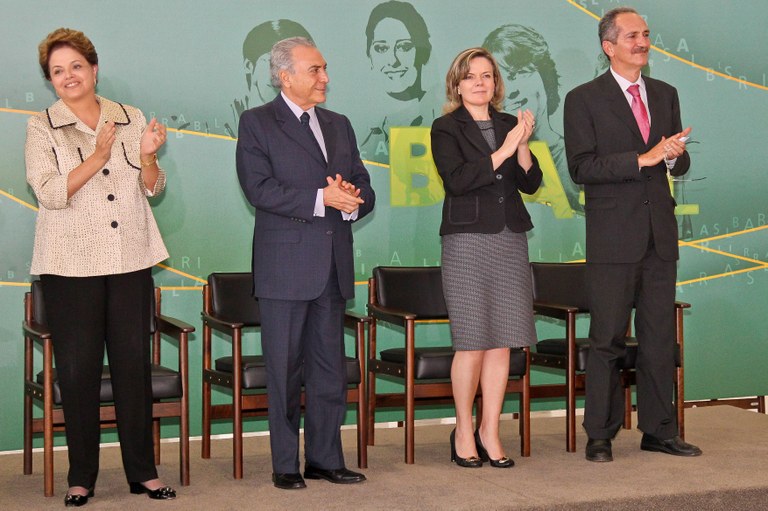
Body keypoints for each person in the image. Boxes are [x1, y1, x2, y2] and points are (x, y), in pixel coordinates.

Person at [25, 28, 176, 505]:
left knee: (133, 367)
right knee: (78, 372)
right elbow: (49, 192)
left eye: (75, 66)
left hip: (130, 257)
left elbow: (153, 187)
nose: (68, 76)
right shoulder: (41, 126)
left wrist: (148, 156)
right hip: (69, 265)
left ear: (93, 69)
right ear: (50, 81)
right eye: (57, 71)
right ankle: (81, 477)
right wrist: (99, 157)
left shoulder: (128, 117)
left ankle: (143, 473)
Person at [563, 7, 701, 462]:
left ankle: (660, 430)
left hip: (659, 235)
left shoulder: (665, 93)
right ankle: (599, 434)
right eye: (632, 36)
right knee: (607, 339)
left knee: (660, 338)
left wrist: (672, 156)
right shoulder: (584, 99)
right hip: (612, 237)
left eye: (645, 34)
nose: (642, 42)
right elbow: (582, 167)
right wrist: (642, 158)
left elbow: (677, 164)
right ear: (609, 46)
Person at [236, 37, 374, 489]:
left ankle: (325, 459)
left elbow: (361, 183)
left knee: (329, 372)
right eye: (315, 70)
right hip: (284, 269)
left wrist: (351, 201)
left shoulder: (339, 124)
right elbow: (259, 190)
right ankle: (284, 465)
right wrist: (321, 198)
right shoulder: (257, 123)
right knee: (283, 371)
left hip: (331, 267)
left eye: (325, 68)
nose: (325, 78)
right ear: (284, 75)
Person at [430, 47, 541, 468]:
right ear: (457, 85)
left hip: (510, 238)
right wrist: (505, 148)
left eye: (488, 76)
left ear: (496, 83)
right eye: (472, 76)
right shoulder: (445, 128)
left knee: (502, 343)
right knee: (472, 341)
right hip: (466, 241)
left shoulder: (510, 124)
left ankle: (490, 430)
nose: (481, 83)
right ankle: (463, 429)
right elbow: (459, 181)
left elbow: (530, 183)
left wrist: (523, 145)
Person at [483, 24, 582, 214]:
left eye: (518, 74)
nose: (510, 91)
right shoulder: (480, 154)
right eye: (498, 79)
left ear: (546, 79)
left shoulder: (578, 156)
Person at [359, 0, 437, 162]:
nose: (393, 60)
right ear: (370, 55)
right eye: (381, 48)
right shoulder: (359, 135)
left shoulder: (444, 122)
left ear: (423, 53)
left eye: (404, 47)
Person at [226, 19, 313, 138]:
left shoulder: (314, 123)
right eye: (276, 63)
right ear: (249, 66)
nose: (287, 75)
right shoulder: (224, 121)